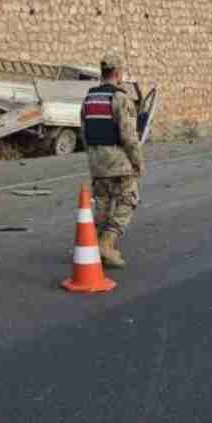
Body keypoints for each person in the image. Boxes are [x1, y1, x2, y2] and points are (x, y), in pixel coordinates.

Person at [79, 52, 144, 268]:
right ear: (117, 73)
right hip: (117, 160)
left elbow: (84, 132)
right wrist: (137, 162)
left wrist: (94, 158)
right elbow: (128, 136)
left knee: (103, 204)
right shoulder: (120, 98)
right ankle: (107, 243)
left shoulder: (89, 98)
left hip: (96, 162)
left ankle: (97, 247)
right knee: (128, 199)